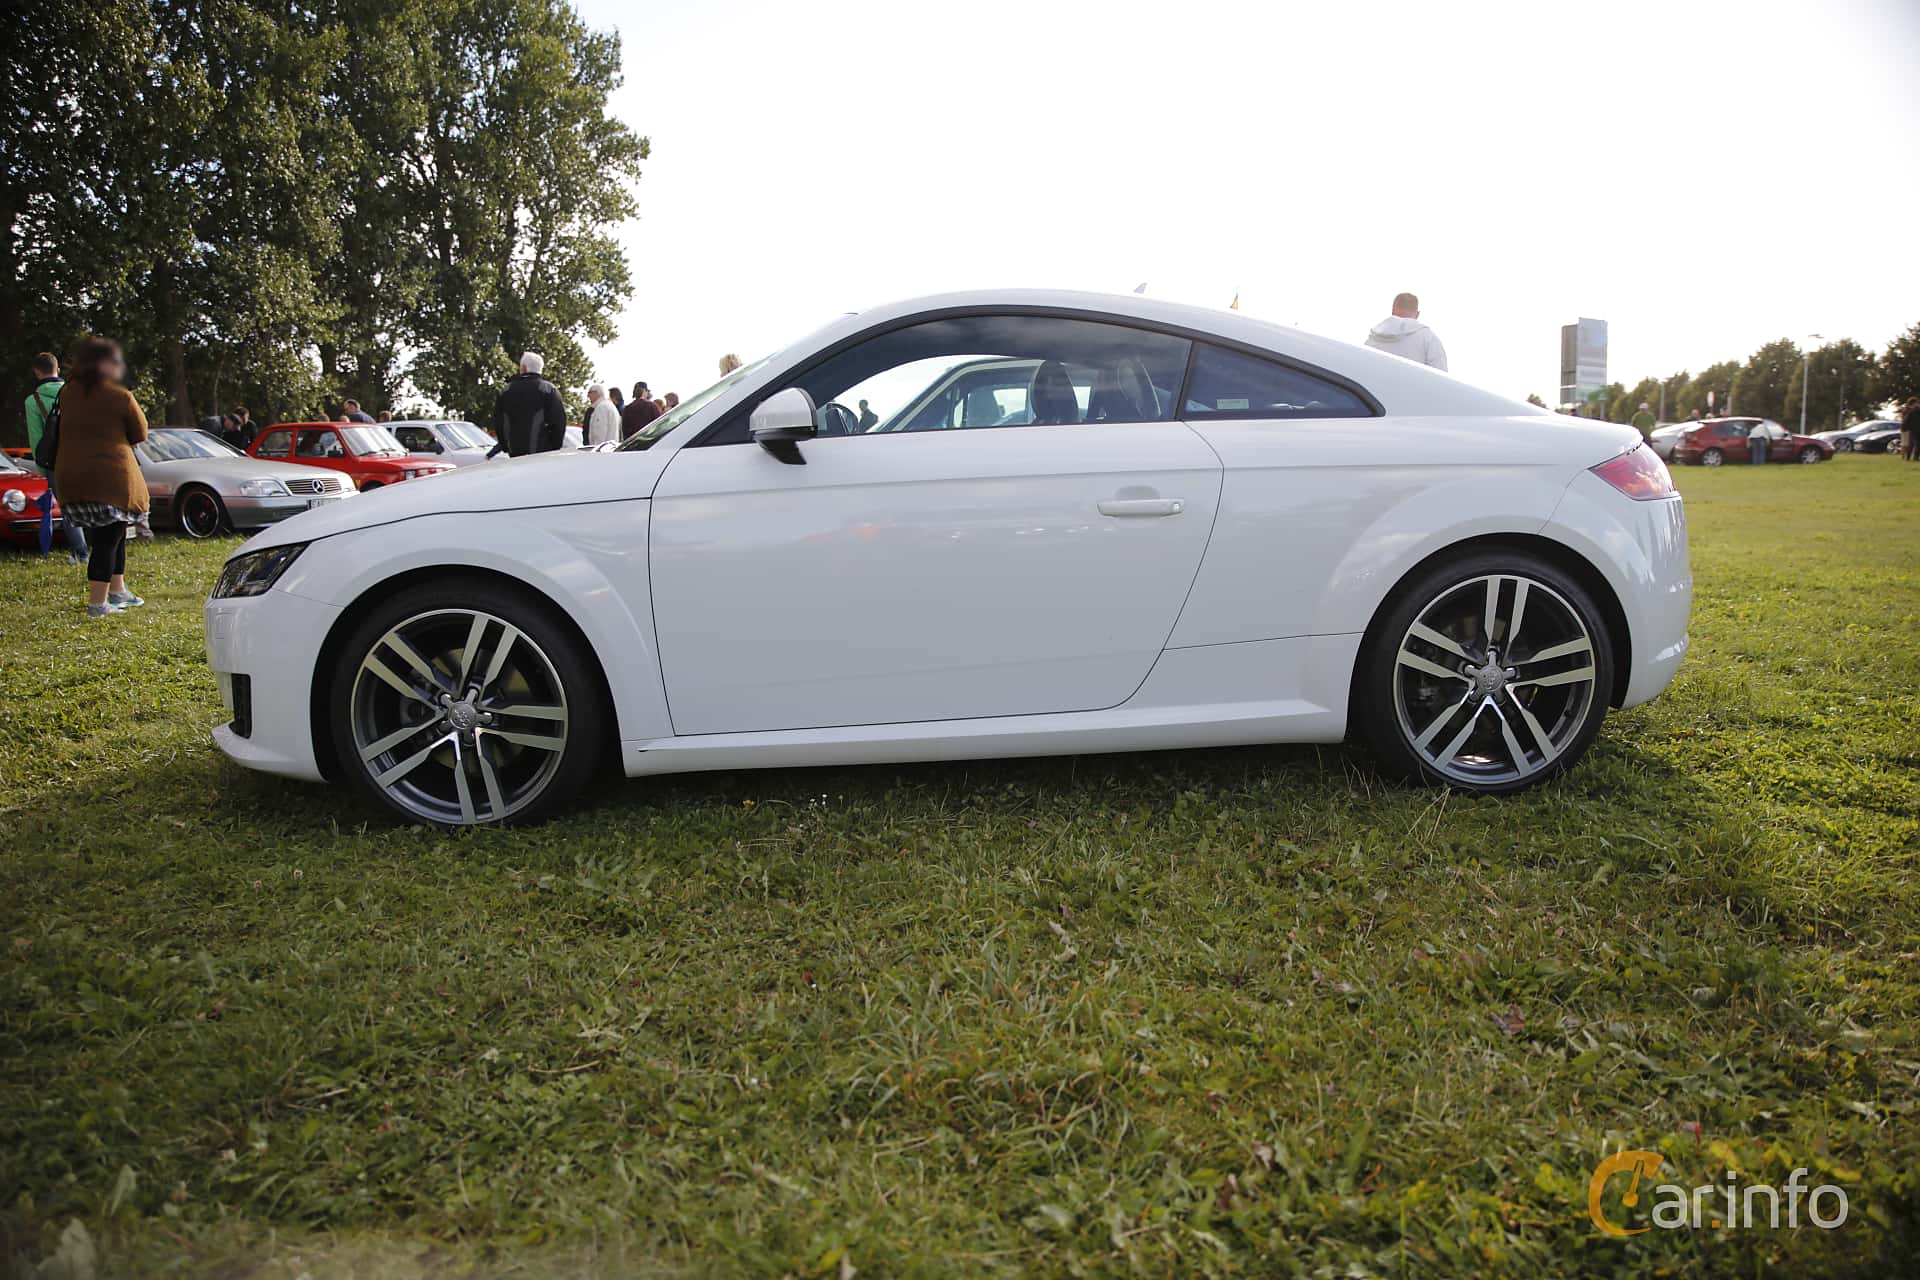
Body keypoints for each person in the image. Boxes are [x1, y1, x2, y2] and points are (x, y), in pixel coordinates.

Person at [51, 337, 149, 618]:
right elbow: (140, 432)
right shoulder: (119, 396)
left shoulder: (68, 392)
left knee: (111, 535)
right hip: (109, 478)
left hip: (71, 476)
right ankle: (98, 603)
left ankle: (118, 590)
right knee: (108, 540)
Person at [23, 351, 88, 561]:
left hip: (56, 463)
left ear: (36, 372)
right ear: (57, 369)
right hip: (82, 456)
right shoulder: (75, 393)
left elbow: (36, 439)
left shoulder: (33, 401)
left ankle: (80, 552)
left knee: (68, 508)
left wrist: (43, 468)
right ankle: (101, 549)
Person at [491, 351, 566, 456]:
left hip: (515, 452)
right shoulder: (548, 390)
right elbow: (559, 422)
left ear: (523, 368)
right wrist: (554, 447)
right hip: (542, 453)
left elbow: (498, 422)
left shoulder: (506, 391)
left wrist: (505, 446)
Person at [1364, 292, 1448, 371]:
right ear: (1417, 314)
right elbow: (1441, 376)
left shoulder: (1372, 339)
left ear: (1393, 310)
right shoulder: (1428, 338)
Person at [1902, 397, 1920, 462]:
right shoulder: (1911, 412)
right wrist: (1905, 428)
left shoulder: (1917, 411)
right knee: (1916, 444)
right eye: (1917, 403)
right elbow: (1906, 420)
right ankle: (1911, 457)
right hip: (1912, 430)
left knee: (1912, 444)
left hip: (1917, 430)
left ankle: (1912, 457)